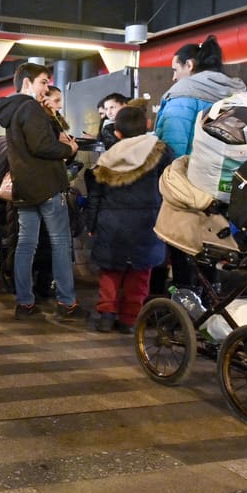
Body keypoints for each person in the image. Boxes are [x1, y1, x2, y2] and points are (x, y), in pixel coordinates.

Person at [153, 35, 244, 292]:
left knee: (183, 243)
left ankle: (186, 299)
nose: (173, 77)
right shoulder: (237, 94)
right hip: (227, 186)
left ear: (190, 65)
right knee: (215, 245)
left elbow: (173, 149)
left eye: (175, 69)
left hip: (190, 186)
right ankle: (212, 298)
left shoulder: (182, 96)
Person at [0, 63, 80, 321]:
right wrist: (69, 150)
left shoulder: (11, 111)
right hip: (47, 186)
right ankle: (66, 303)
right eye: (43, 82)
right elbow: (42, 146)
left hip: (24, 187)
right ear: (27, 83)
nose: (45, 88)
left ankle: (25, 302)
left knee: (25, 245)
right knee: (60, 243)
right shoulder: (30, 108)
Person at [83, 106, 174, 334]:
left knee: (111, 271)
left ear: (117, 133)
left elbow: (95, 197)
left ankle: (106, 315)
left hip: (112, 223)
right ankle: (129, 320)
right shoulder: (162, 153)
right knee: (140, 273)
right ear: (147, 125)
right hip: (148, 222)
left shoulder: (108, 158)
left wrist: (91, 224)